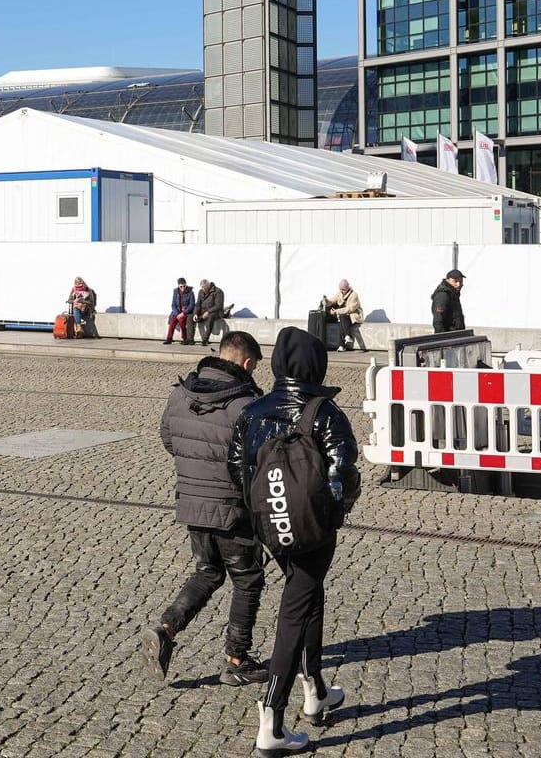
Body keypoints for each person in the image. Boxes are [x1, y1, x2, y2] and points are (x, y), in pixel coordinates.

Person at [228, 327, 359, 754]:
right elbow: (344, 474)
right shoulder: (325, 411)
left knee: (307, 597)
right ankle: (272, 719)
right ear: (315, 365)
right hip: (312, 530)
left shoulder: (253, 410)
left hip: (271, 524)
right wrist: (330, 517)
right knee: (295, 609)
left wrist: (264, 515)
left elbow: (238, 469)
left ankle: (315, 690)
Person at [144, 331, 270, 687]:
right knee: (247, 579)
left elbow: (169, 438)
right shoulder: (245, 403)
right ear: (247, 363)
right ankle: (236, 659)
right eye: (255, 366)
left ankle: (166, 627)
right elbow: (255, 459)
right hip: (231, 508)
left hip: (191, 501)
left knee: (209, 571)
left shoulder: (180, 394)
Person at [322, 280, 366, 352]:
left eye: (343, 290)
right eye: (340, 289)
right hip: (344, 316)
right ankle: (347, 337)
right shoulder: (339, 293)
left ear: (348, 288)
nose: (341, 291)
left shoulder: (354, 295)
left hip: (353, 315)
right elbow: (332, 300)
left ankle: (343, 343)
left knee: (342, 317)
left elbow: (349, 309)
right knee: (341, 322)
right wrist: (326, 301)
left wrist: (336, 311)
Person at [430, 269, 466, 333]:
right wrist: (442, 339)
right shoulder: (443, 295)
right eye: (455, 281)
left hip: (456, 336)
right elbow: (438, 321)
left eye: (461, 281)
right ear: (448, 280)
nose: (459, 284)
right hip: (448, 338)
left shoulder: (453, 294)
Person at [194, 279, 228, 346]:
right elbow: (198, 304)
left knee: (210, 316)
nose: (203, 289)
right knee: (192, 317)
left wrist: (208, 312)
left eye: (204, 287)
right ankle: (189, 339)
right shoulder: (200, 292)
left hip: (216, 312)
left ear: (208, 286)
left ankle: (205, 339)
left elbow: (219, 305)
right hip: (204, 311)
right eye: (202, 287)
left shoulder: (218, 291)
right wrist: (195, 313)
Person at [164, 278, 196, 345]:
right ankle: (169, 339)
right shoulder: (176, 292)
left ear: (186, 285)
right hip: (177, 312)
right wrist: (177, 313)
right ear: (178, 286)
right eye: (181, 286)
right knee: (172, 321)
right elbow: (173, 304)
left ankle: (185, 338)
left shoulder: (190, 292)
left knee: (181, 320)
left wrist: (183, 313)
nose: (183, 288)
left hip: (186, 312)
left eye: (184, 286)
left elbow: (192, 305)